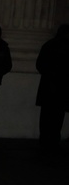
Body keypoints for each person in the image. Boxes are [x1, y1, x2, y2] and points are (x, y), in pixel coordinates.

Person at [35, 24, 69, 156]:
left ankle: (47, 141)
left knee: (49, 117)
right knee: (55, 117)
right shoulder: (55, 46)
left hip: (51, 88)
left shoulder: (49, 45)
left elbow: (40, 65)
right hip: (58, 88)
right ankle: (51, 142)